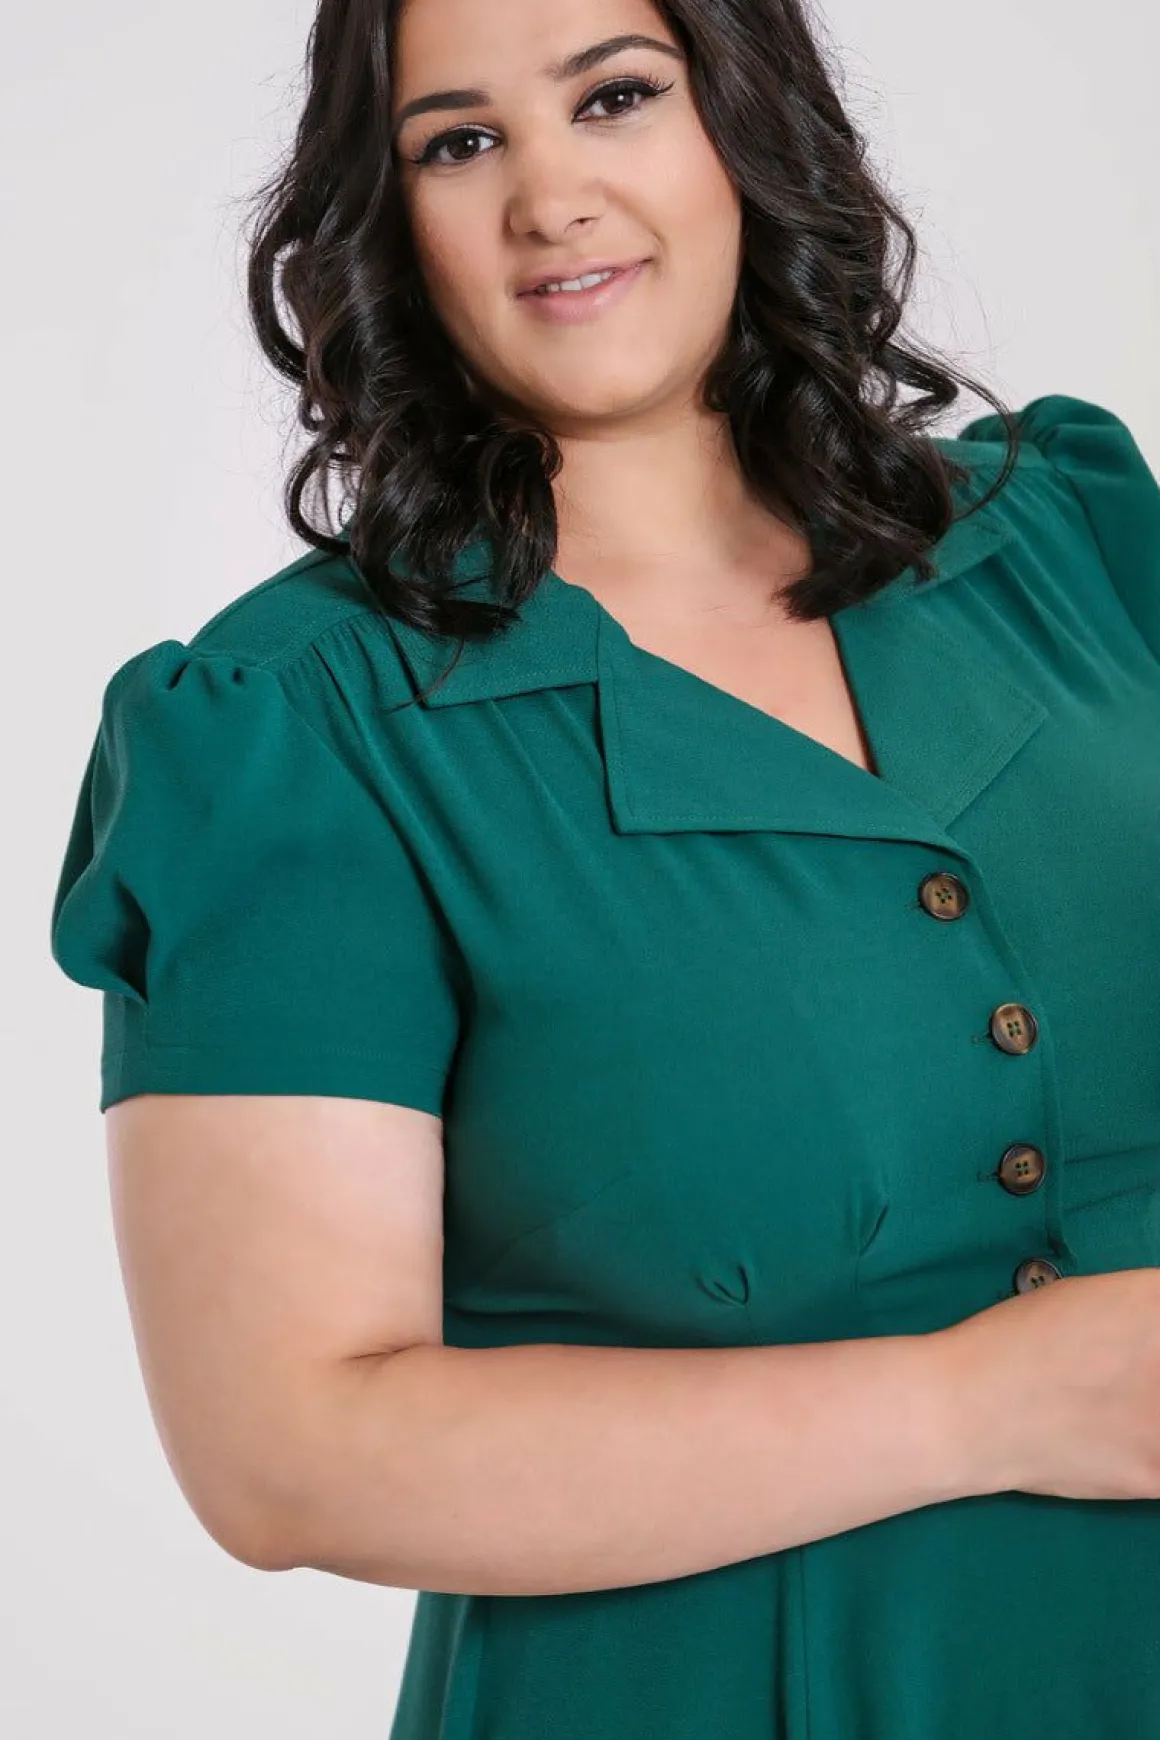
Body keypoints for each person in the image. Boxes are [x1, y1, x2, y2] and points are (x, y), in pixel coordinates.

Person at [48, 0, 1160, 1735]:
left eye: (618, 97)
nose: (549, 196)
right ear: (388, 217)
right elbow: (285, 1452)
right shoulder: (294, 733)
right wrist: (988, 1406)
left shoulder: (1076, 540)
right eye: (459, 141)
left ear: (744, 122)